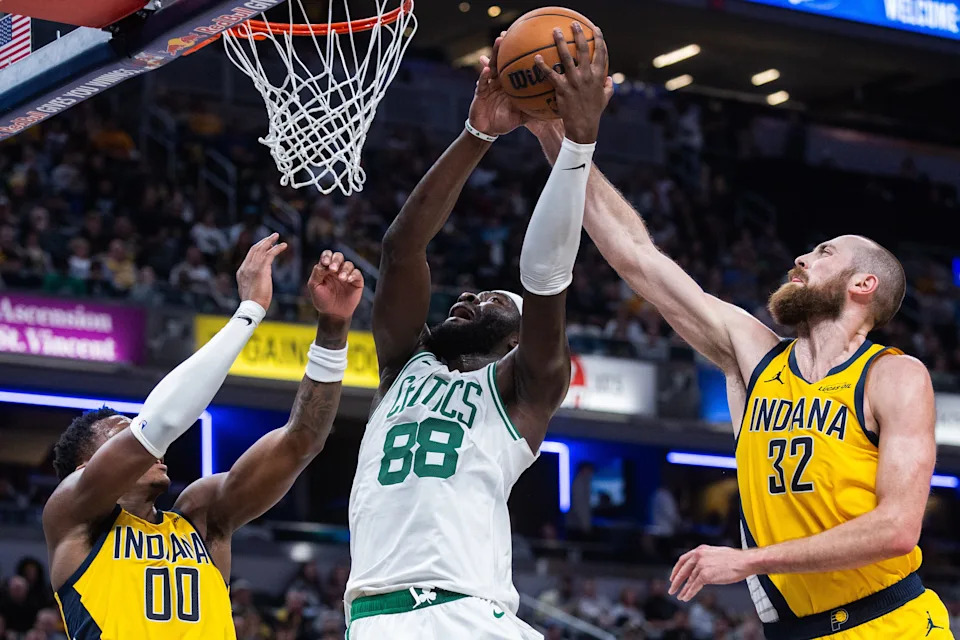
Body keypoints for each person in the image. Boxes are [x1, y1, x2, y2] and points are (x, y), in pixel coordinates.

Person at [528, 125, 951, 638]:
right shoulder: (756, 359)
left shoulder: (894, 376)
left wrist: (748, 561)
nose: (801, 258)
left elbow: (897, 529)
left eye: (824, 252)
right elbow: (637, 256)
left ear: (863, 285)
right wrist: (560, 141)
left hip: (889, 624)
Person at [342, 22, 612, 640]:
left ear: (516, 339)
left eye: (491, 300)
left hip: (469, 610)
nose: (466, 296)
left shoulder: (526, 390)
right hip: (386, 615)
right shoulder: (405, 366)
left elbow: (544, 278)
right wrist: (477, 134)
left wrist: (578, 146)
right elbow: (401, 248)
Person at [42, 235, 365, 639]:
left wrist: (333, 331)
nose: (148, 451)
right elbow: (160, 424)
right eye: (121, 435)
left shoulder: (200, 517)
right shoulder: (73, 517)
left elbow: (301, 441)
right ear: (85, 468)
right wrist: (248, 312)